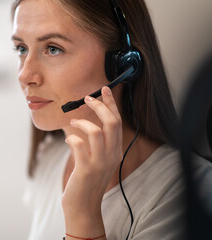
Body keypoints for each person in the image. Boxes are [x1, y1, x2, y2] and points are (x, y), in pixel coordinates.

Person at [11, 0, 190, 239]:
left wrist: (82, 214)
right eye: (21, 48)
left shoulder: (183, 193)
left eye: (53, 48)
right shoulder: (49, 159)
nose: (25, 75)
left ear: (123, 62)